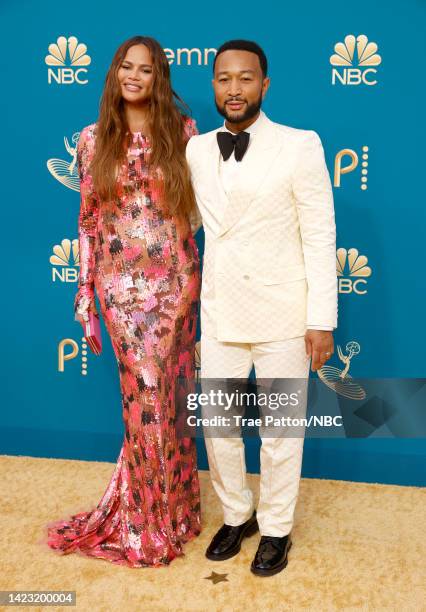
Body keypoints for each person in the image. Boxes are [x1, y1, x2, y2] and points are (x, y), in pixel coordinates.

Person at [45, 36, 202, 567]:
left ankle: (174, 512)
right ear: (114, 74)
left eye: (146, 69)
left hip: (174, 285)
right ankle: (143, 522)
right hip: (119, 289)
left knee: (170, 401)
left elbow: (194, 215)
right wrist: (85, 297)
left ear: (159, 79)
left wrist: (193, 283)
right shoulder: (92, 141)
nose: (134, 76)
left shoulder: (182, 134)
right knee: (144, 399)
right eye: (125, 67)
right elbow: (88, 222)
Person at [185, 39, 337, 576]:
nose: (234, 89)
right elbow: (191, 223)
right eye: (224, 78)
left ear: (264, 84)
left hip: (283, 315)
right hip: (222, 310)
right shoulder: (197, 149)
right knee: (220, 427)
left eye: (245, 78)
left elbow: (319, 236)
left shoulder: (300, 145)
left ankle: (276, 529)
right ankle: (236, 514)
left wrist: (321, 320)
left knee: (280, 431)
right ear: (213, 85)